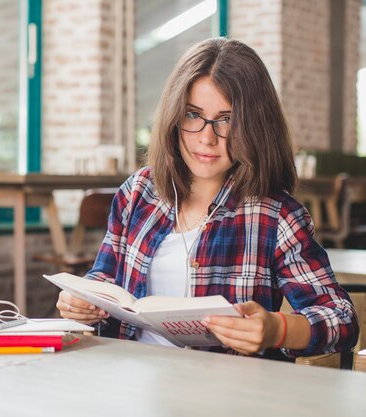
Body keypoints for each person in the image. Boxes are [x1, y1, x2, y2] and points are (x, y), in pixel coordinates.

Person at [56, 37, 359, 358]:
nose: (206, 137)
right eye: (192, 114)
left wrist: (277, 328)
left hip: (226, 393)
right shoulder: (138, 192)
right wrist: (82, 301)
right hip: (130, 382)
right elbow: (104, 278)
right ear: (174, 117)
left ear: (254, 125)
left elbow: (343, 320)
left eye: (226, 119)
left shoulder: (276, 215)